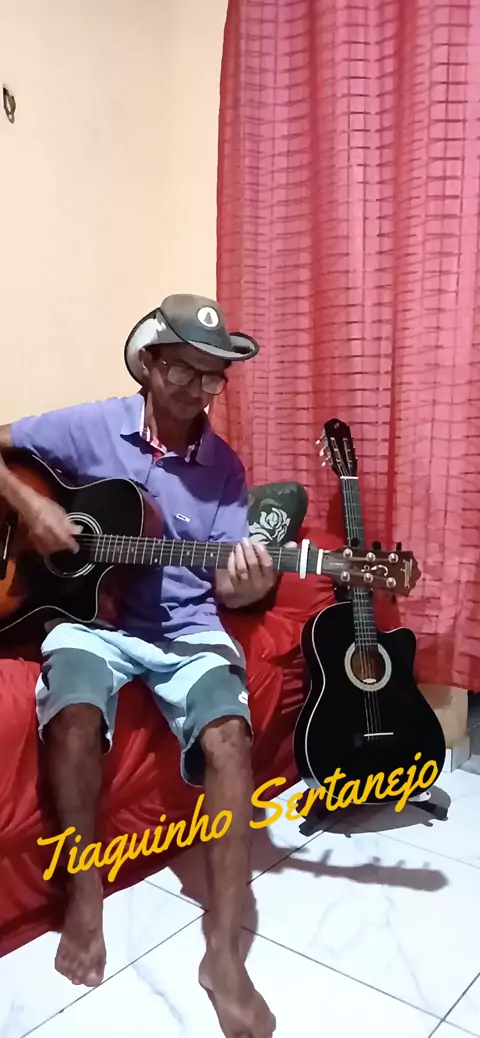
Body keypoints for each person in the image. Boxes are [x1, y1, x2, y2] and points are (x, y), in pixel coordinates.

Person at [0, 294, 276, 1038]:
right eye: (185, 370)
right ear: (149, 364)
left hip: (185, 628)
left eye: (213, 377)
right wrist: (31, 507)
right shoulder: (90, 426)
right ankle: (85, 894)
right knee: (73, 714)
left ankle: (223, 953)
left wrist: (247, 585)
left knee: (229, 736)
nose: (199, 390)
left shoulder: (224, 469)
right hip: (91, 623)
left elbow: (228, 586)